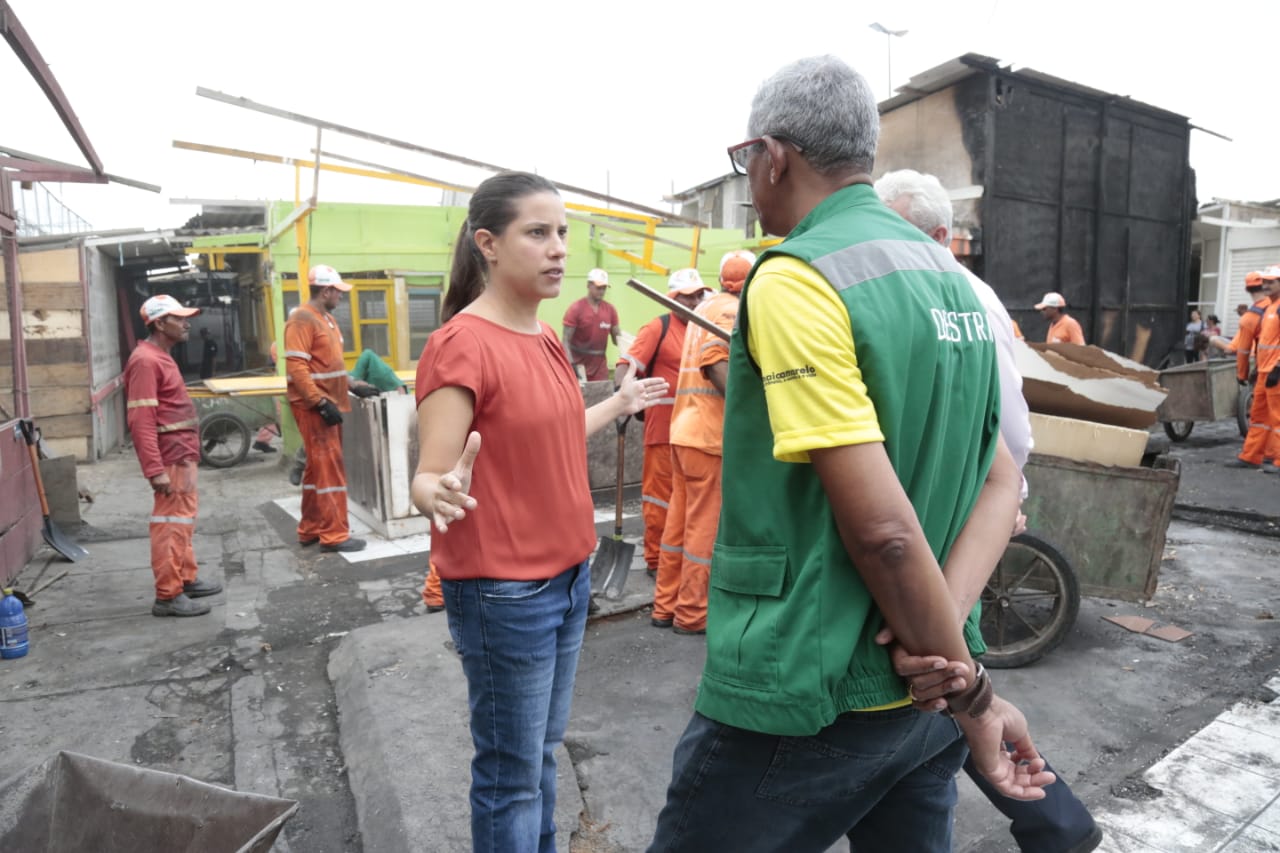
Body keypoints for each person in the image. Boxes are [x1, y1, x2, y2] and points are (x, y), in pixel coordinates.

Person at [648, 56, 1053, 853]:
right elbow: (1003, 477)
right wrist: (951, 657)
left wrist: (969, 689)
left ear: (773, 156)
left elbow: (885, 534)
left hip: (812, 683)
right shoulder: (950, 276)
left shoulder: (797, 277)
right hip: (926, 692)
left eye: (745, 163)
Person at [410, 171, 668, 853]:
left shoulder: (544, 336)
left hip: (567, 577)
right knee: (512, 775)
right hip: (505, 592)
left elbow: (551, 433)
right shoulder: (461, 344)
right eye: (537, 232)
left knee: (540, 755)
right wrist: (435, 493)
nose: (558, 249)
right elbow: (431, 475)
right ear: (488, 243)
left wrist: (620, 403)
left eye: (562, 233)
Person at [877, 168, 1102, 853]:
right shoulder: (912, 290)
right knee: (941, 695)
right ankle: (1056, 820)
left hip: (949, 519)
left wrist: (1005, 501)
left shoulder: (965, 297)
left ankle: (1057, 818)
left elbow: (1009, 425)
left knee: (945, 676)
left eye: (897, 231)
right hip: (938, 514)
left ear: (942, 237)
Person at [650, 255, 750, 636]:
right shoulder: (730, 310)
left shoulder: (705, 308)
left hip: (684, 432)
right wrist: (747, 406)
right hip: (709, 437)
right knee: (703, 532)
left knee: (677, 528)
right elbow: (716, 362)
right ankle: (692, 614)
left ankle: (666, 606)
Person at [124, 295, 224, 617]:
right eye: (178, 318)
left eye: (186, 317)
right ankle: (168, 595)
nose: (186, 322)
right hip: (170, 458)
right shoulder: (145, 361)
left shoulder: (160, 356)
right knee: (170, 524)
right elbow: (140, 421)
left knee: (182, 520)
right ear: (158, 323)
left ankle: (184, 578)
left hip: (182, 455)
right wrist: (155, 470)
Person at [614, 269, 705, 576]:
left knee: (691, 504)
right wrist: (620, 401)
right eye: (686, 296)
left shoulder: (705, 329)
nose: (693, 302)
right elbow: (626, 366)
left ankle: (681, 562)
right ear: (672, 298)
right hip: (663, 432)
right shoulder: (659, 328)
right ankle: (655, 561)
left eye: (697, 295)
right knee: (659, 501)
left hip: (697, 433)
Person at [285, 264, 366, 553]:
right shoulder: (302, 319)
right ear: (327, 290)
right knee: (330, 470)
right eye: (339, 292)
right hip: (315, 407)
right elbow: (296, 365)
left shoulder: (325, 319)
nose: (341, 297)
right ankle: (334, 535)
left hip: (327, 403)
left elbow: (327, 365)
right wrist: (318, 402)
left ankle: (310, 528)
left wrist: (353, 384)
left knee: (315, 469)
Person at [1227, 266, 1280, 472]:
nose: (1266, 285)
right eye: (1264, 282)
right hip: (1265, 370)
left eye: (1271, 282)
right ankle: (1251, 456)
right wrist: (1258, 368)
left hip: (1275, 371)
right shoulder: (1270, 308)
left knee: (1277, 417)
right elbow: (1265, 343)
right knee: (1258, 417)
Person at [562, 268, 621, 380]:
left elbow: (617, 339)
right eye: (598, 288)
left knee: (602, 395)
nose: (602, 291)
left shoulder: (610, 310)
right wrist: (570, 365)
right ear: (589, 285)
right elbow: (565, 341)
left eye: (604, 288)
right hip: (578, 365)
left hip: (599, 367)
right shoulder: (576, 309)